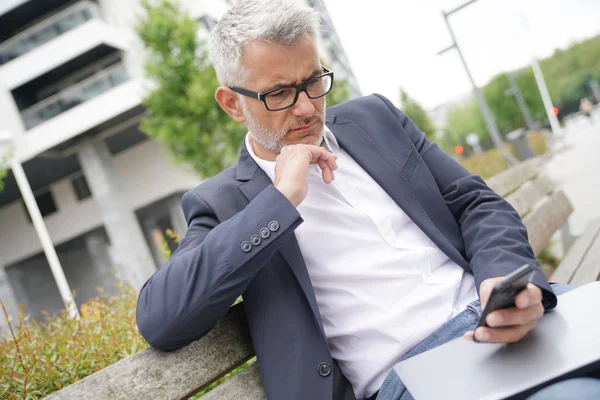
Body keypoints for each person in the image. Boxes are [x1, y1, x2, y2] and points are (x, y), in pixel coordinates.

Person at [135, 1, 600, 399]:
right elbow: (161, 318)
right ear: (232, 103)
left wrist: (504, 281)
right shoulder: (224, 202)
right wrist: (279, 201)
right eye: (278, 93)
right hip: (415, 374)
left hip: (497, 318)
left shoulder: (374, 119)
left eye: (313, 81)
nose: (305, 107)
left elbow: (474, 202)